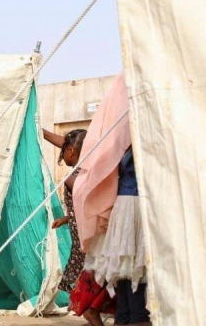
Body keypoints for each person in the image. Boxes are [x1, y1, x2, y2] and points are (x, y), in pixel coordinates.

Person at [96, 147, 150, 325]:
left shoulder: (120, 142)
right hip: (134, 205)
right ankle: (135, 316)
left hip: (126, 204)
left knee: (127, 264)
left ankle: (127, 316)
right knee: (132, 263)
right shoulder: (133, 142)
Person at [43, 129, 87, 293]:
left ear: (70, 151)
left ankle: (85, 306)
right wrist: (67, 218)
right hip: (82, 239)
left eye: (64, 149)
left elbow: (86, 203)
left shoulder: (73, 178)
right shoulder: (87, 170)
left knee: (78, 277)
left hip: (82, 240)